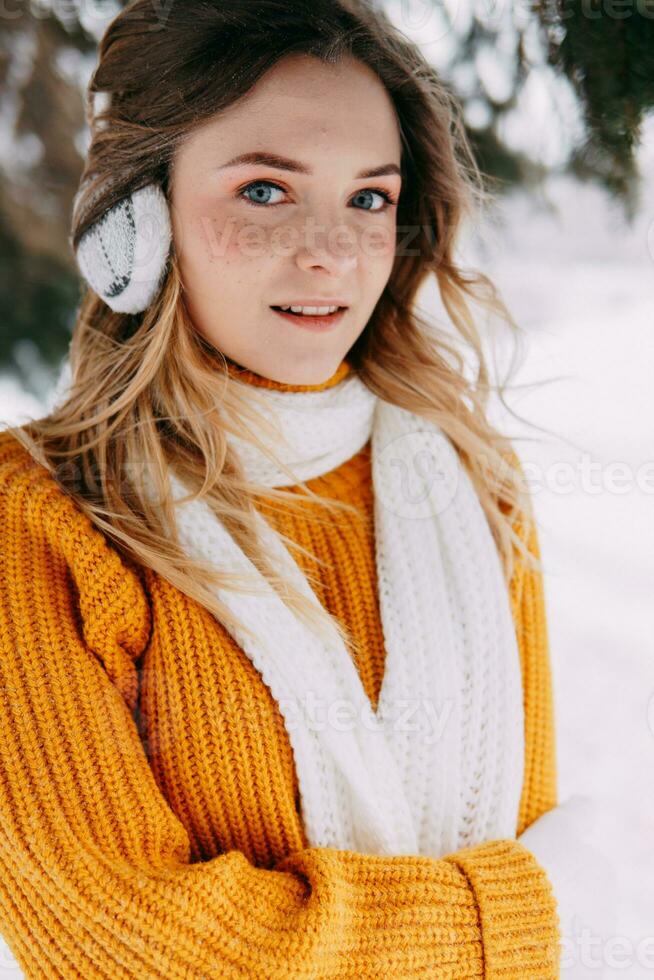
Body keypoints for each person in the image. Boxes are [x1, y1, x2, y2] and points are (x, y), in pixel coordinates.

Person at [0, 0, 618, 976]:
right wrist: (522, 913)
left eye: (369, 198)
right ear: (138, 221)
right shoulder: (43, 522)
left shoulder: (470, 478)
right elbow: (120, 945)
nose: (330, 250)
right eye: (265, 192)